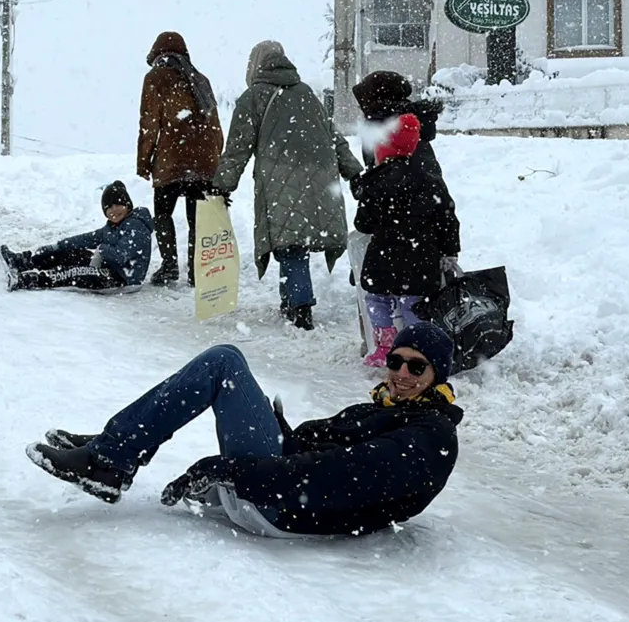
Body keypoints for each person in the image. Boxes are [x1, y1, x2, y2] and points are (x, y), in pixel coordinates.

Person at [27, 322, 462, 538]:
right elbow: (318, 449)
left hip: (288, 507)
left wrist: (235, 471)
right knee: (225, 362)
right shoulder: (384, 408)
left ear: (437, 374)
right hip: (282, 484)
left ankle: (110, 459)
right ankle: (112, 448)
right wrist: (284, 431)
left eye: (416, 366)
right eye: (395, 361)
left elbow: (342, 476)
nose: (401, 373)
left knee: (224, 362)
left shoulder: (431, 434)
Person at [209, 41, 363, 330]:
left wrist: (222, 186)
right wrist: (353, 171)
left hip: (280, 179)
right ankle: (289, 298)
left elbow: (237, 149)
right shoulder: (306, 93)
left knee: (290, 245)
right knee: (294, 243)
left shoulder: (252, 97)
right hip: (319, 180)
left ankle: (301, 306)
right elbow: (333, 136)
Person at [352, 114, 462, 366]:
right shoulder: (430, 181)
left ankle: (385, 346)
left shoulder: (375, 182)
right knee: (414, 306)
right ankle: (416, 349)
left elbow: (363, 223)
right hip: (420, 261)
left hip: (383, 258)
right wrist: (449, 251)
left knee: (377, 301)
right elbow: (448, 219)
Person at [136, 31, 224, 287]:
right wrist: (217, 156)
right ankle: (198, 271)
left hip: (172, 158)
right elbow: (215, 124)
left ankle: (169, 265)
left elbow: (149, 124)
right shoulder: (201, 80)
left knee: (163, 212)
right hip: (204, 161)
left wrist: (144, 161)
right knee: (197, 217)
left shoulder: (155, 78)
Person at [0, 181, 153, 292]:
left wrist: (101, 250)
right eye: (109, 207)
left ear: (128, 205)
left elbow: (121, 256)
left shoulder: (136, 225)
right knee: (68, 254)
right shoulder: (111, 227)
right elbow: (86, 239)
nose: (114, 210)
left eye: (118, 204)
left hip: (122, 279)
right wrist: (58, 246)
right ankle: (22, 263)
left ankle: (28, 280)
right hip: (107, 267)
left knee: (75, 272)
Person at [352, 70, 445, 179]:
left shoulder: (384, 120)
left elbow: (378, 169)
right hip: (425, 183)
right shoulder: (411, 115)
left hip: (398, 185)